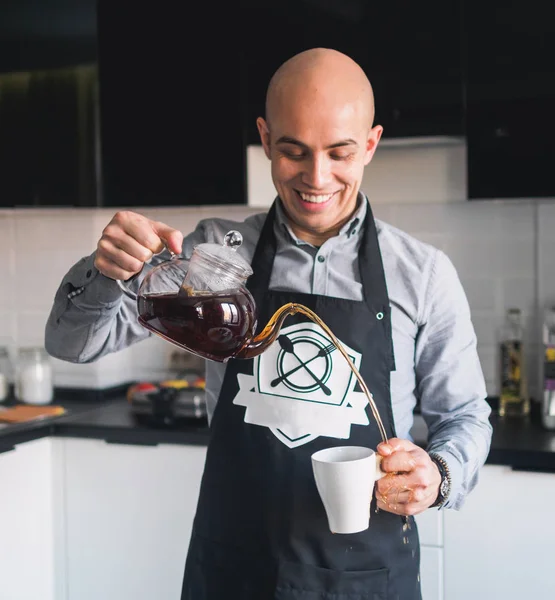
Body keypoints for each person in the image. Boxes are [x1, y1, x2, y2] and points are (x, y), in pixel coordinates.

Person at [45, 48, 492, 599]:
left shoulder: (422, 276)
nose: (316, 177)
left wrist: (439, 475)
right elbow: (70, 344)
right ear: (265, 137)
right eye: (294, 151)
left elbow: (466, 414)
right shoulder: (215, 255)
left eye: (340, 152)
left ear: (370, 145)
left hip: (364, 579)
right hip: (234, 570)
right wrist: (106, 270)